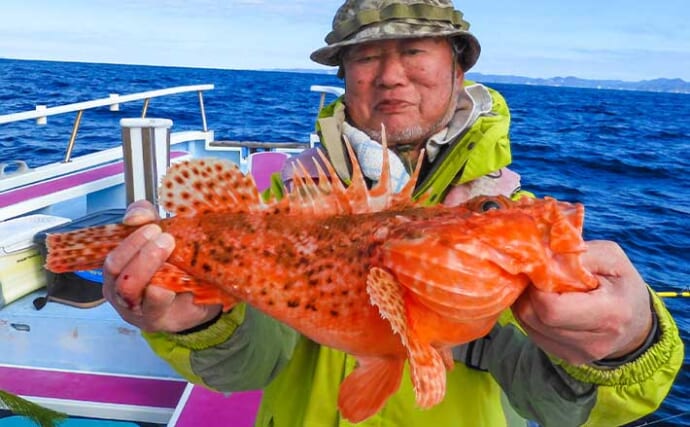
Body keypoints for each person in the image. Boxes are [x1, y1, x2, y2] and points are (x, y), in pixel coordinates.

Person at [102, 0, 684, 425]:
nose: (390, 75)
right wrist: (199, 326)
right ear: (344, 78)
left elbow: (570, 407)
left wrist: (628, 345)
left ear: (458, 68)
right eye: (366, 57)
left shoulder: (508, 226)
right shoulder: (288, 206)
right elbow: (248, 371)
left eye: (413, 51)